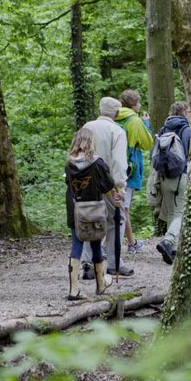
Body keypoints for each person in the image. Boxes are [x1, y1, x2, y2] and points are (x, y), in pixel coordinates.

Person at [79, 97, 130, 276]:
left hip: (85, 181)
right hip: (108, 183)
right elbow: (118, 162)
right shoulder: (117, 131)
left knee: (90, 218)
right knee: (116, 220)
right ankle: (113, 262)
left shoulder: (87, 127)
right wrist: (120, 187)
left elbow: (77, 153)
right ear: (116, 113)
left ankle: (88, 262)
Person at [65, 128, 117, 298]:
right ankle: (100, 286)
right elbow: (108, 185)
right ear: (90, 142)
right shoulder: (97, 163)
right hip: (94, 210)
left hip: (75, 210)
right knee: (96, 244)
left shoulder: (69, 163)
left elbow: (68, 183)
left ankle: (74, 290)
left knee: (76, 245)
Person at [149, 101, 191, 265]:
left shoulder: (163, 129)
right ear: (184, 112)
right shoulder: (186, 129)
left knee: (171, 213)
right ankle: (168, 241)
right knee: (181, 212)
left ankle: (172, 249)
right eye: (189, 111)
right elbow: (189, 153)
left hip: (164, 176)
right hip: (181, 175)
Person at [115, 89, 153, 256]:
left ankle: (132, 243)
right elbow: (147, 144)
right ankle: (109, 247)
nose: (139, 105)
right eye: (138, 102)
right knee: (123, 207)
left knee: (123, 207)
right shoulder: (134, 120)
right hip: (129, 168)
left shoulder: (113, 117)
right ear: (133, 104)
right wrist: (146, 124)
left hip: (112, 165)